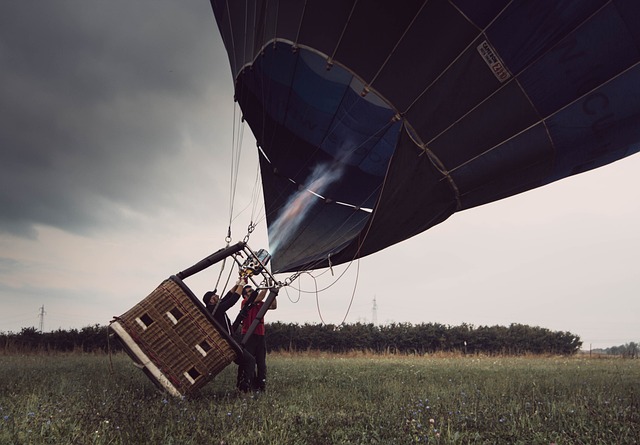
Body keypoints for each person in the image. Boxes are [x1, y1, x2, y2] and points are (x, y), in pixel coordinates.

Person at [203, 277, 256, 392]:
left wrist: (238, 283)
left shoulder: (214, 307)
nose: (217, 296)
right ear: (211, 301)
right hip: (227, 342)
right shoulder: (214, 309)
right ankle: (244, 388)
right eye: (214, 296)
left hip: (229, 340)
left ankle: (241, 386)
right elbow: (232, 301)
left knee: (244, 361)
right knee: (250, 360)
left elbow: (228, 295)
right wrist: (242, 285)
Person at [237, 284, 277, 392]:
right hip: (248, 335)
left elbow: (273, 306)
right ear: (245, 296)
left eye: (252, 290)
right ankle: (248, 385)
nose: (253, 292)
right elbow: (261, 296)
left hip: (260, 336)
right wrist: (267, 286)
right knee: (249, 362)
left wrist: (273, 293)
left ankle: (261, 386)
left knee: (261, 363)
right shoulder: (245, 303)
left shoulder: (259, 303)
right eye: (250, 292)